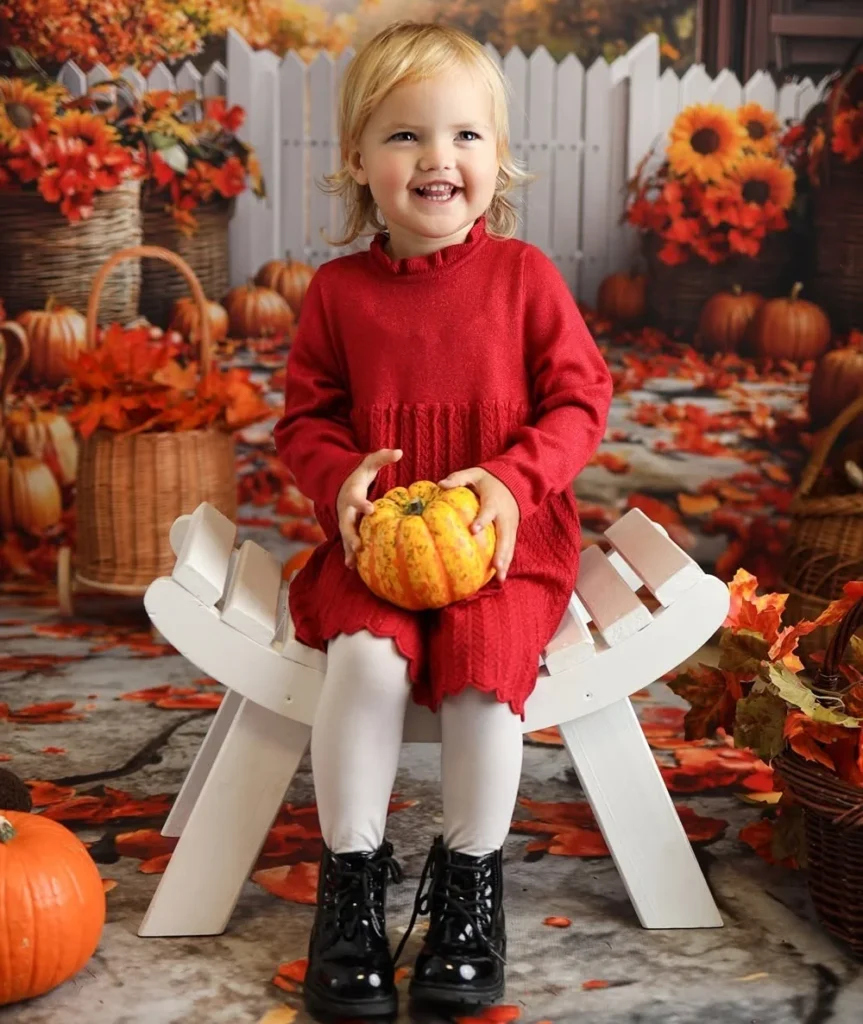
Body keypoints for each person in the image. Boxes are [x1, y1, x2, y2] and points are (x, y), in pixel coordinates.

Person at [274, 20, 613, 1018]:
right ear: (358, 161)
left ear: (499, 157)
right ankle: (350, 890)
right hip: (377, 537)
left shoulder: (524, 280)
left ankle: (468, 890)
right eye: (405, 136)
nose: (438, 159)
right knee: (367, 659)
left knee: (476, 676)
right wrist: (337, 476)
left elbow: (578, 400)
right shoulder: (336, 294)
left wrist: (511, 481)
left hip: (506, 543)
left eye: (465, 135)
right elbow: (305, 418)